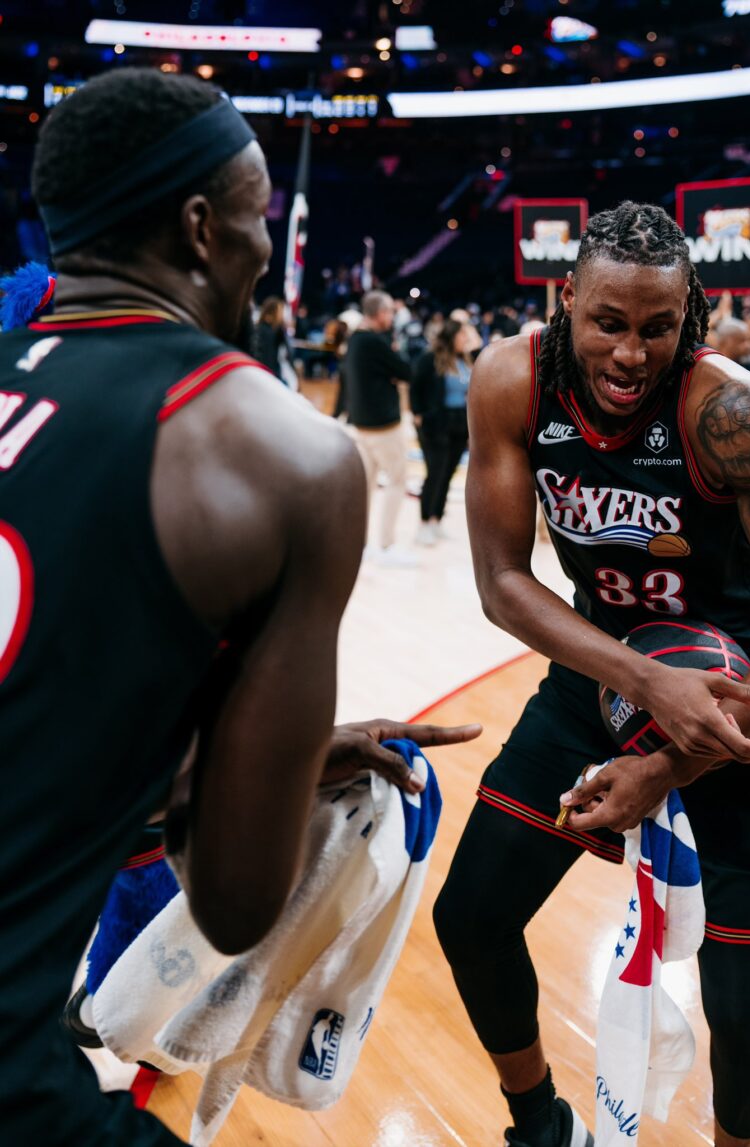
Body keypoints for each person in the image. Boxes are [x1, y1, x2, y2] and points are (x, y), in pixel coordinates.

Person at [0, 69, 480, 1146]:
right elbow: (233, 902)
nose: (268, 246)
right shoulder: (272, 453)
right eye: (259, 215)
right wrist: (270, 755)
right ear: (200, 225)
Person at [433, 201, 750, 1147]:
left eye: (657, 327)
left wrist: (671, 763)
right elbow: (503, 583)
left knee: (741, 1002)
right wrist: (641, 678)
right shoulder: (511, 381)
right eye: (609, 323)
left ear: (690, 314)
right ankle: (538, 1123)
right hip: (603, 671)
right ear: (566, 302)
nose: (631, 352)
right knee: (470, 915)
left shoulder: (731, 412)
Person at [342, 289, 417, 567]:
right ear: (381, 313)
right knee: (397, 481)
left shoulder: (356, 340)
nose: (393, 317)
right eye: (390, 312)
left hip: (361, 424)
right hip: (383, 426)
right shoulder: (375, 342)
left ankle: (359, 545)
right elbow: (406, 371)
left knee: (367, 487)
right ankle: (385, 545)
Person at [411, 317, 474, 545]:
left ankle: (437, 519)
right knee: (435, 473)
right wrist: (418, 414)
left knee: (448, 474)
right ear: (451, 337)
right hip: (436, 423)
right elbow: (415, 386)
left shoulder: (465, 360)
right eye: (461, 335)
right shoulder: (430, 359)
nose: (466, 339)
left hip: (460, 424)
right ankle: (424, 522)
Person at [250, 294, 296, 387]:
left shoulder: (258, 328)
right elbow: (289, 353)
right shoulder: (273, 331)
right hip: (270, 373)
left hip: (260, 372)